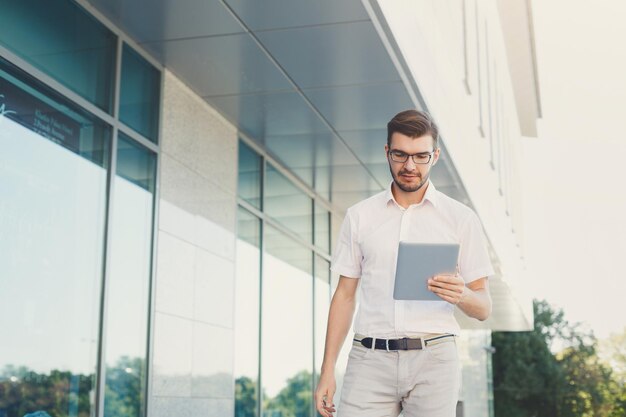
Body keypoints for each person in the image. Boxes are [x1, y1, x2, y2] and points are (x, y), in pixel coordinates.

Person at [314, 110, 494, 417]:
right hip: (369, 359)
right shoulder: (360, 216)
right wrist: (327, 369)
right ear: (387, 152)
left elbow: (484, 306)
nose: (409, 166)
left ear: (435, 156)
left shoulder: (461, 219)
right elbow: (344, 295)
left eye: (421, 156)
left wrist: (460, 293)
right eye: (400, 154)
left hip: (435, 361)